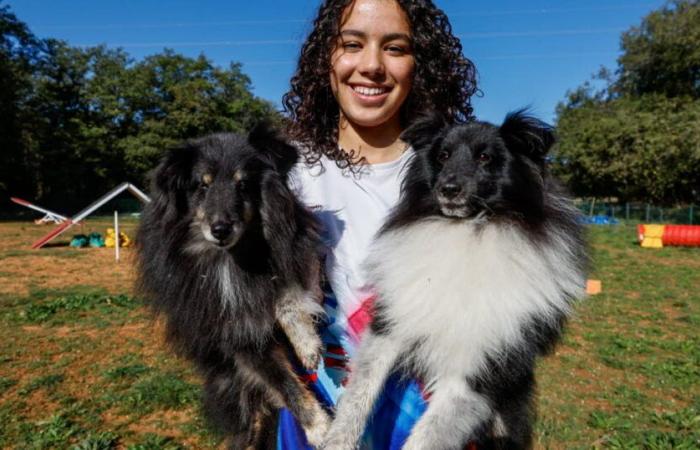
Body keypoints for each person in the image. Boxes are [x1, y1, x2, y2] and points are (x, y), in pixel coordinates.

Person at [279, 0, 477, 448]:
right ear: (324, 59)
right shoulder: (287, 172)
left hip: (428, 415)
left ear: (420, 63)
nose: (371, 66)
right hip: (319, 413)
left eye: (395, 48)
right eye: (352, 44)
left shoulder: (453, 174)